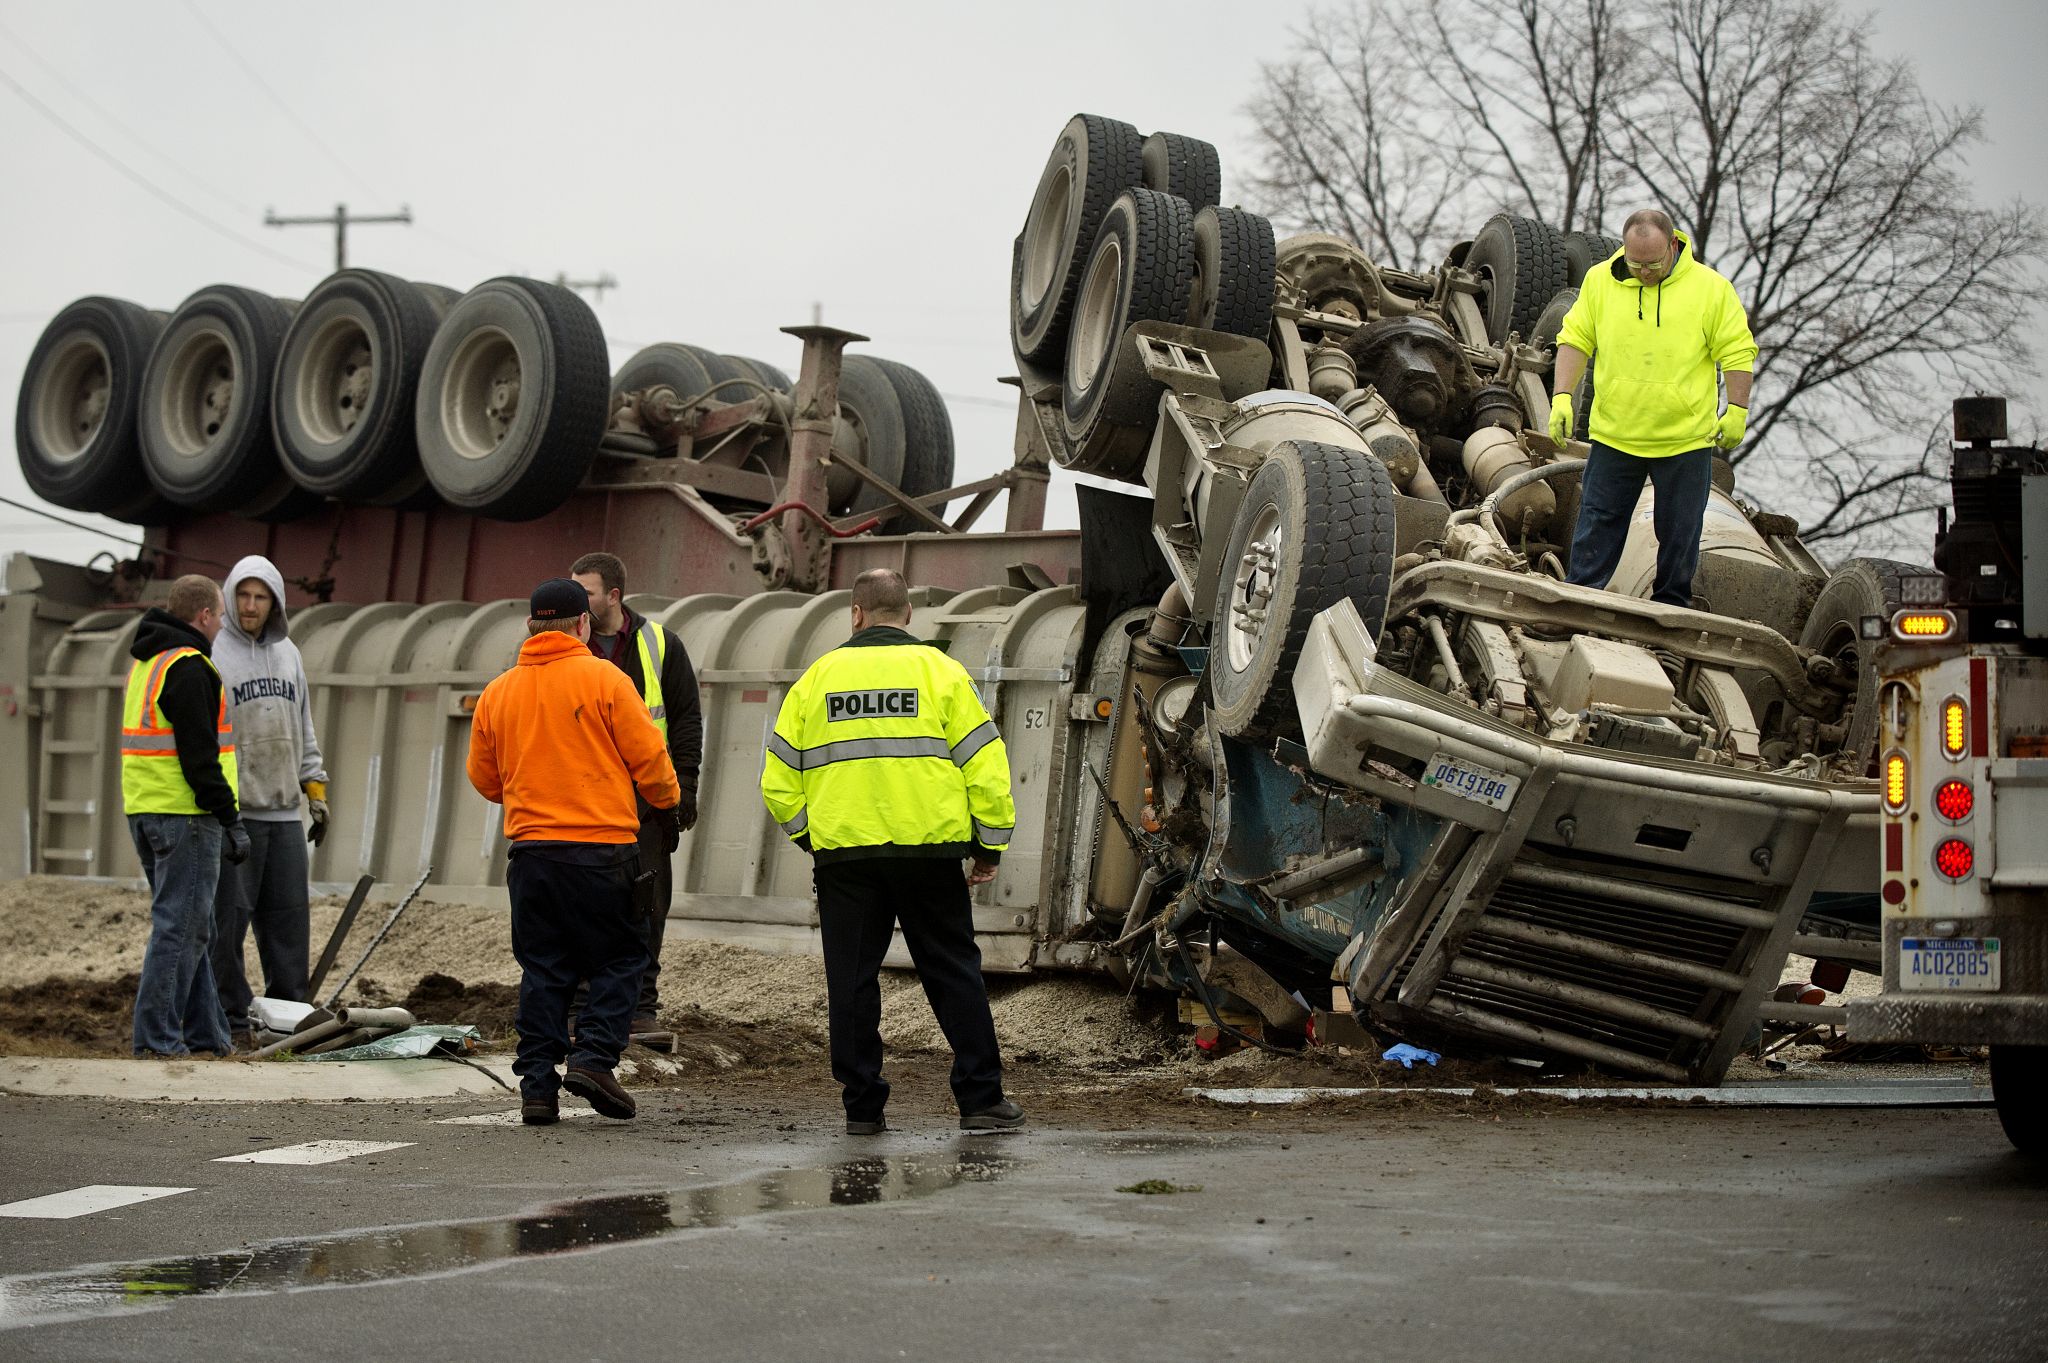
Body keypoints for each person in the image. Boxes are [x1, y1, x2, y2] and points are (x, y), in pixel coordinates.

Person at [760, 568, 1023, 1135]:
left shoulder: (816, 679)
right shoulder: (942, 673)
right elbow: (987, 766)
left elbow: (777, 783)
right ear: (907, 615)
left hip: (846, 859)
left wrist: (813, 839)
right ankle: (980, 1101)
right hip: (929, 855)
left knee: (852, 981)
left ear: (855, 614)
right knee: (953, 972)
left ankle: (862, 1110)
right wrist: (989, 846)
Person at [466, 578, 682, 1126]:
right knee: (621, 958)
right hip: (604, 852)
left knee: (544, 969)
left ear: (530, 627)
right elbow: (652, 761)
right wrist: (667, 803)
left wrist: (535, 793)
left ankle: (538, 1089)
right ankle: (593, 1060)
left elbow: (485, 779)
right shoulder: (606, 679)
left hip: (533, 855)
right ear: (584, 624)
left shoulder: (498, 692)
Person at [1549, 208, 1758, 607]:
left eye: (1653, 264)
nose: (1644, 272)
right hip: (1616, 434)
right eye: (1636, 263)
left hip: (1684, 440)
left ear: (1674, 246)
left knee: (1680, 532)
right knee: (1597, 524)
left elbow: (1737, 350)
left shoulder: (1711, 289)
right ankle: (1578, 600)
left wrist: (1737, 409)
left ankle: (1671, 608)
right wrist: (1561, 396)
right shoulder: (1600, 281)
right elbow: (1575, 338)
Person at [567, 552, 703, 1040]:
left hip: (646, 802)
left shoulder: (661, 645)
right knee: (583, 906)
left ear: (614, 595)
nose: (577, 601)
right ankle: (580, 1009)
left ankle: (640, 1009)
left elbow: (685, 720)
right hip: (582, 800)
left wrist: (684, 789)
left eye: (585, 592)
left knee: (647, 904)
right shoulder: (563, 646)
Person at [122, 574, 248, 1057]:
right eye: (220, 616)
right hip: (186, 815)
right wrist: (230, 817)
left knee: (192, 927)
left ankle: (208, 1036)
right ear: (204, 615)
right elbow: (201, 759)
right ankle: (156, 1041)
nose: (221, 626)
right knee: (181, 929)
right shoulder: (190, 667)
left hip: (146, 809)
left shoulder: (147, 663)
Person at [209, 556, 328, 1034]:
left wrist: (314, 787)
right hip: (236, 814)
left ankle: (288, 1017)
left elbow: (303, 724)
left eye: (260, 597)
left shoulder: (289, 653)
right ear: (230, 597)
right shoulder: (215, 652)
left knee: (289, 922)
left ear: (275, 602)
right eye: (243, 594)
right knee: (228, 923)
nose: (250, 605)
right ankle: (230, 1018)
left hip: (283, 813)